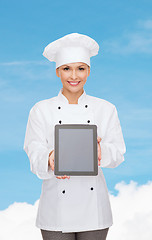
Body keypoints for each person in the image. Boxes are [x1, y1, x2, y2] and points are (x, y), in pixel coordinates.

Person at [23, 33, 126, 240]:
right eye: (66, 69)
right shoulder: (41, 110)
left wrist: (100, 152)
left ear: (89, 71)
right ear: (57, 72)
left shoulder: (105, 109)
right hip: (55, 208)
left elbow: (118, 154)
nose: (74, 76)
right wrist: (49, 158)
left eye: (80, 68)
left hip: (94, 208)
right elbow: (33, 150)